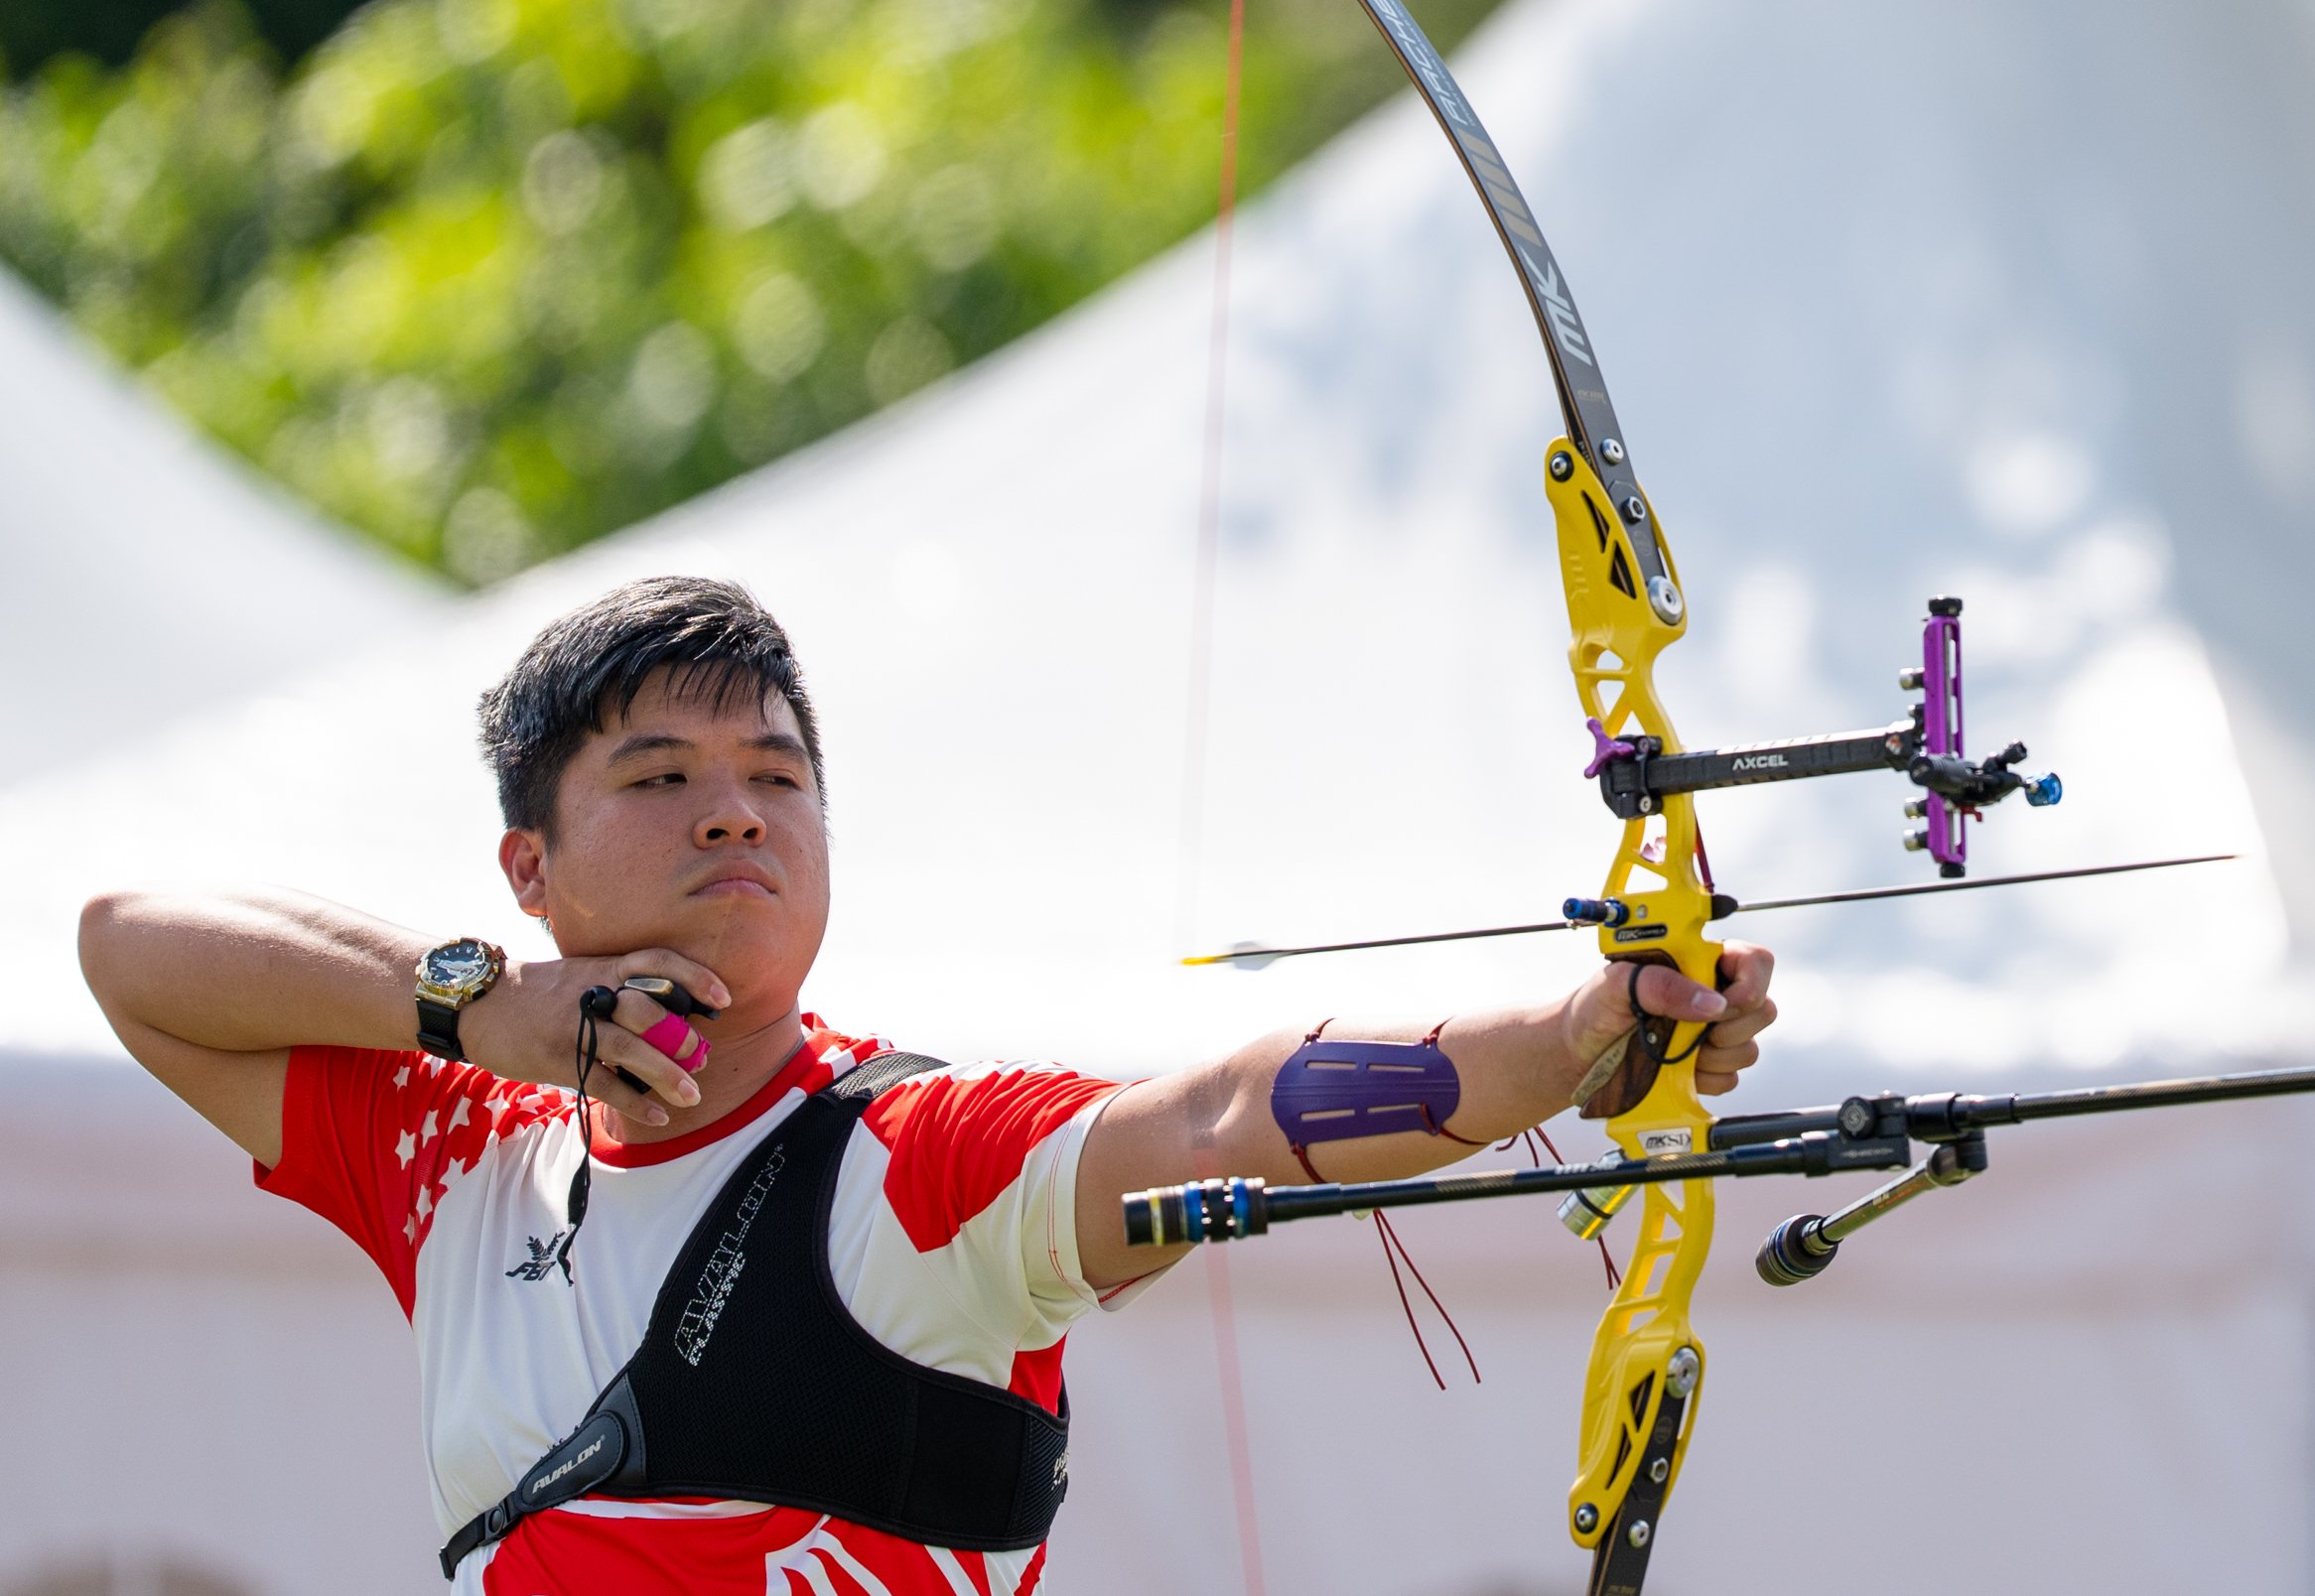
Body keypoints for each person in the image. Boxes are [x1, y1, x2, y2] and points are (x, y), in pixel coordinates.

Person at [76, 573, 1778, 1595]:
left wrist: (1573, 1036)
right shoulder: (464, 1151)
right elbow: (130, 948)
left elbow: (1216, 1119)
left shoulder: (908, 1158)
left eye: (776, 775)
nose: (735, 812)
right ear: (530, 868)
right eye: (660, 776)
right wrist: (480, 1009)